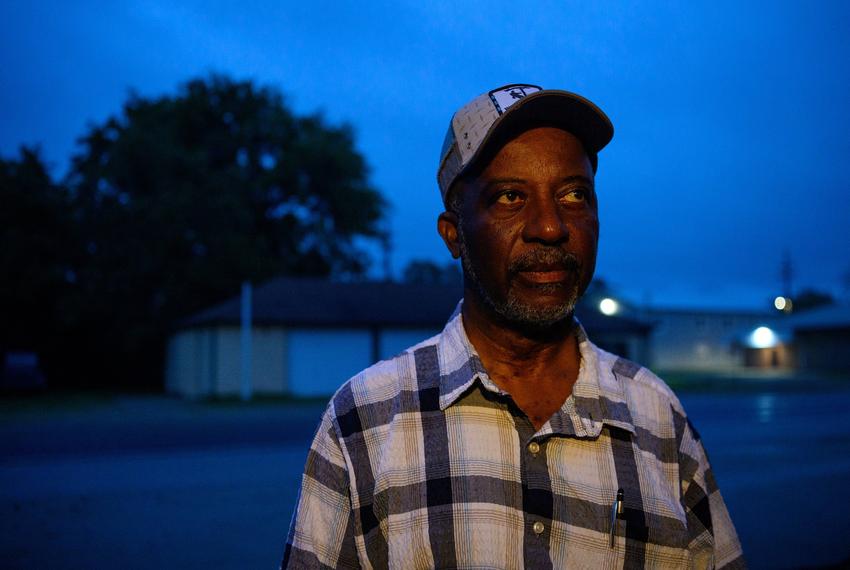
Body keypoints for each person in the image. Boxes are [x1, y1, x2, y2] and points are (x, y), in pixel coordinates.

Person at [281, 84, 745, 569]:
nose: (550, 226)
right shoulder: (365, 420)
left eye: (573, 194)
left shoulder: (657, 416)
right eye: (509, 197)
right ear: (454, 234)